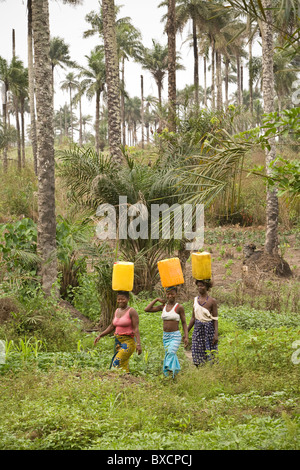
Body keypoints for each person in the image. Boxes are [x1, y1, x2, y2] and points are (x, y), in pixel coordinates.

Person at [144, 286, 188, 378]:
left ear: (176, 294)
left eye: (172, 293)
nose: (170, 296)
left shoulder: (179, 307)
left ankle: (166, 372)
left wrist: (186, 336)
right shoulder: (163, 307)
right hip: (166, 336)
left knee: (171, 352)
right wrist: (156, 299)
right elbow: (147, 309)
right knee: (170, 353)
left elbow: (184, 322)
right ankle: (174, 374)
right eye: (168, 294)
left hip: (175, 336)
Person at [94, 291, 142, 373]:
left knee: (116, 362)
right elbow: (112, 326)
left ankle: (116, 379)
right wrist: (100, 335)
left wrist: (138, 344)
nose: (120, 301)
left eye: (123, 299)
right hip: (118, 341)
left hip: (128, 342)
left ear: (128, 299)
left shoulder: (131, 311)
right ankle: (125, 381)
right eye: (119, 299)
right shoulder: (117, 311)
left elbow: (136, 328)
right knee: (123, 364)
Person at [188, 279, 218, 366]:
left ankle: (212, 371)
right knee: (197, 351)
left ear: (207, 287)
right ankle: (200, 369)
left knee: (211, 352)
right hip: (198, 329)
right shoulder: (195, 300)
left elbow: (215, 319)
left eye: (202, 286)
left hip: (209, 329)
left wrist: (216, 334)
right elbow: (193, 318)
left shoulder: (212, 301)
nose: (200, 288)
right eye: (198, 286)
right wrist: (186, 331)